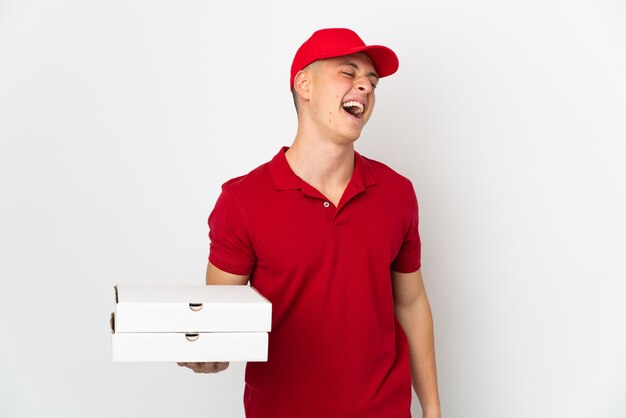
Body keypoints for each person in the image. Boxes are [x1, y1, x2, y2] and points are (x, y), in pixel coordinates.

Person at [179, 28, 441, 418]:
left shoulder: (397, 192)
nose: (365, 87)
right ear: (304, 83)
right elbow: (220, 321)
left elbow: (411, 301)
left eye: (372, 81)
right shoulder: (243, 201)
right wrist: (208, 354)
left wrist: (433, 409)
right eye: (348, 74)